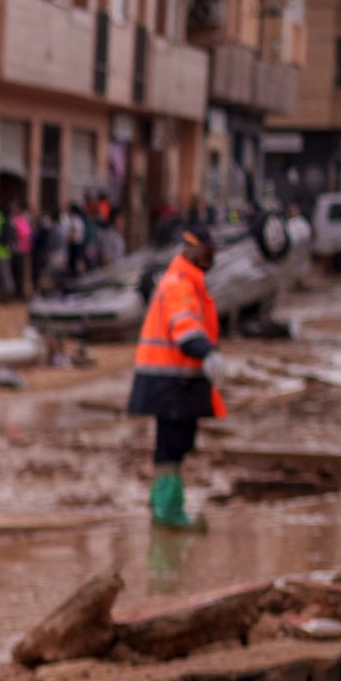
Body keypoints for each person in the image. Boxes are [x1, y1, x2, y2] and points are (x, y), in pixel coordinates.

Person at [126, 220, 223, 531]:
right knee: (172, 444)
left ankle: (164, 505)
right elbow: (185, 329)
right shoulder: (181, 284)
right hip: (170, 381)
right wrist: (207, 352)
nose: (210, 258)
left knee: (173, 445)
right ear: (193, 249)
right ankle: (168, 511)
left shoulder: (184, 279)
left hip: (171, 379)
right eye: (207, 251)